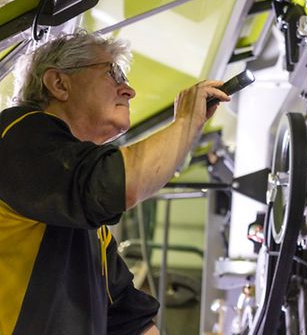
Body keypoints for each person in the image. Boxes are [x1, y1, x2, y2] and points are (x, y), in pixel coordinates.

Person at [0, 30, 230, 334]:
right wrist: (186, 121)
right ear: (59, 83)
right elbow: (120, 184)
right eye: (113, 73)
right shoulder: (17, 136)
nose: (129, 91)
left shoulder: (86, 221)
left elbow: (127, 318)